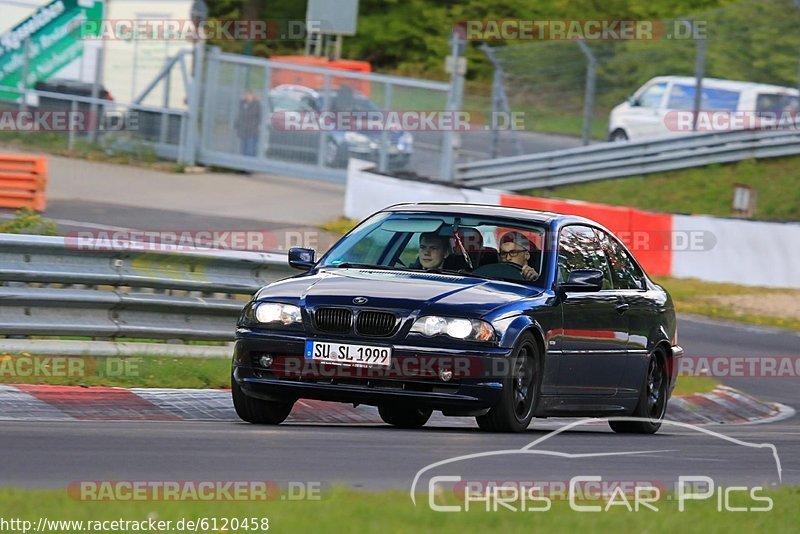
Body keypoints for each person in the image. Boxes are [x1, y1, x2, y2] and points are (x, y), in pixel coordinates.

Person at [235, 89, 262, 157]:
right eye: (246, 95)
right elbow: (240, 114)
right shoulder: (243, 104)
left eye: (249, 95)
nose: (247, 96)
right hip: (243, 131)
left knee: (251, 151)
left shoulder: (257, 104)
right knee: (243, 151)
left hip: (252, 132)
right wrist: (241, 100)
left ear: (253, 95)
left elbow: (259, 117)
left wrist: (253, 124)